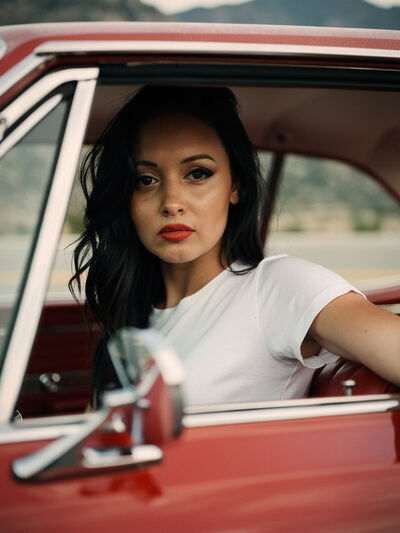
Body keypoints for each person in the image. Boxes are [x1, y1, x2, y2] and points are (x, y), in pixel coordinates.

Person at [70, 85, 400, 407]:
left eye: (197, 174)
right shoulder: (132, 311)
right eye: (146, 180)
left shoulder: (277, 286)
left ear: (235, 187)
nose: (171, 203)